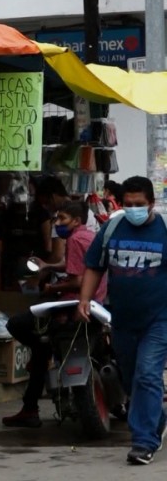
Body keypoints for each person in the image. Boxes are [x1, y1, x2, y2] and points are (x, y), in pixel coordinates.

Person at [79, 176, 167, 465]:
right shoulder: (112, 227)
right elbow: (94, 266)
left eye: (139, 205)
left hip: (159, 319)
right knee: (130, 378)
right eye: (128, 204)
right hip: (122, 320)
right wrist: (84, 299)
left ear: (151, 204)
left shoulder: (164, 230)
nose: (133, 209)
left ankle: (143, 442)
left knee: (147, 375)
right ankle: (157, 419)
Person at [2, 199, 107, 428]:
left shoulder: (75, 240)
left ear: (76, 221)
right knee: (41, 349)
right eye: (56, 218)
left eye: (62, 219)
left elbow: (79, 280)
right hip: (93, 303)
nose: (57, 223)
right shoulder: (89, 237)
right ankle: (30, 406)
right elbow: (77, 267)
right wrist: (48, 266)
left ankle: (31, 405)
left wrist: (52, 288)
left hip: (73, 303)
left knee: (17, 325)